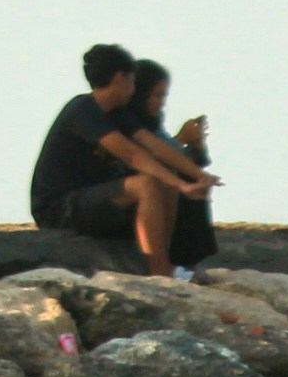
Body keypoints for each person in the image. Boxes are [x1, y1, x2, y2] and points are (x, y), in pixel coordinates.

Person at [29, 41, 216, 277]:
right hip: (60, 208)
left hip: (94, 200)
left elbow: (154, 146)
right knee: (147, 184)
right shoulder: (82, 111)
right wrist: (182, 185)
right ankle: (159, 271)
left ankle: (171, 262)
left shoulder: (118, 113)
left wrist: (199, 176)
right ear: (120, 79)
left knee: (164, 177)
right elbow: (131, 153)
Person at [126, 57, 221, 277]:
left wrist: (195, 146)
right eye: (157, 95)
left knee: (192, 181)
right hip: (132, 189)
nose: (161, 102)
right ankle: (174, 264)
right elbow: (150, 156)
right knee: (180, 183)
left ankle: (190, 261)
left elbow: (178, 157)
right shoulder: (128, 121)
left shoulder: (151, 122)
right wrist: (181, 140)